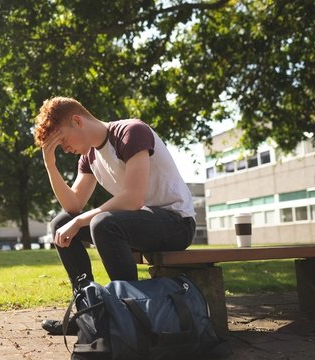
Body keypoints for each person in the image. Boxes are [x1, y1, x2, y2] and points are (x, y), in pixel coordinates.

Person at [34, 97, 195, 335]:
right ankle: (87, 314)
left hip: (176, 222)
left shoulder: (131, 132)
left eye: (63, 140)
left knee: (103, 223)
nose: (65, 149)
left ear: (77, 121)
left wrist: (80, 220)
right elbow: (73, 205)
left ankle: (133, 315)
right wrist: (50, 165)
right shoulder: (89, 157)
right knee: (61, 222)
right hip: (140, 222)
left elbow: (133, 198)